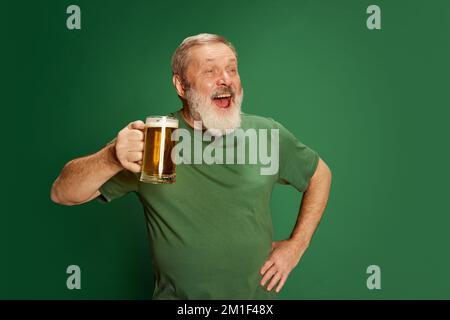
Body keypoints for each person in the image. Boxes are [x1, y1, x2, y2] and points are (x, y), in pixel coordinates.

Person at [50, 33, 332, 299]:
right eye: (210, 71)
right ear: (181, 86)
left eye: (232, 70)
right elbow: (62, 193)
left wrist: (297, 245)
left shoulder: (266, 134)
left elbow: (320, 174)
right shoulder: (155, 140)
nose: (226, 80)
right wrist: (110, 157)